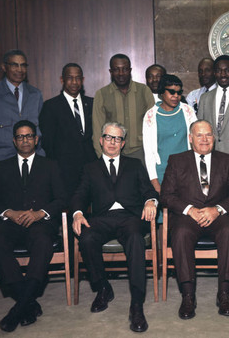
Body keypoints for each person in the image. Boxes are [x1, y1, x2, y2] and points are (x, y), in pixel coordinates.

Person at [71, 122, 158, 333]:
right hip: (102, 217)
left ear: (123, 143)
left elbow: (149, 191)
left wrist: (150, 202)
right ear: (101, 140)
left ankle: (136, 304)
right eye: (108, 137)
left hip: (130, 217)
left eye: (117, 138)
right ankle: (102, 288)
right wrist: (78, 213)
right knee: (87, 237)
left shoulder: (135, 164)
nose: (112, 142)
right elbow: (80, 194)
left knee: (136, 239)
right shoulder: (90, 168)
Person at [0, 120, 66, 332]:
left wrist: (40, 213)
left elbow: (61, 199)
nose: (25, 140)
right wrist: (9, 213)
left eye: (29, 136)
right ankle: (28, 302)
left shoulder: (50, 166)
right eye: (20, 137)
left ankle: (17, 309)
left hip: (39, 224)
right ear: (14, 141)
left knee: (43, 242)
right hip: (11, 224)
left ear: (36, 140)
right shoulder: (1, 167)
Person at [160, 120, 229, 319]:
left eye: (208, 135)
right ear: (190, 139)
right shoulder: (176, 160)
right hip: (188, 217)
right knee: (179, 233)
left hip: (218, 216)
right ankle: (188, 295)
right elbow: (166, 195)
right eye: (199, 135)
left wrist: (217, 209)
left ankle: (224, 293)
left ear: (214, 138)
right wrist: (189, 210)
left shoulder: (227, 160)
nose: (204, 139)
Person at [0, 49, 44, 177]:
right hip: (2, 160)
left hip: (33, 161)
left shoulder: (36, 95)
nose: (19, 69)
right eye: (14, 65)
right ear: (4, 67)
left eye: (23, 65)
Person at [39, 63, 97, 200]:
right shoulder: (51, 106)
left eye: (78, 78)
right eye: (70, 78)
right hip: (64, 171)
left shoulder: (93, 103)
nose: (74, 82)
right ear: (62, 80)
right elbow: (48, 143)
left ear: (82, 80)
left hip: (90, 169)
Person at [142, 74, 197, 199]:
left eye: (179, 92)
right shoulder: (151, 115)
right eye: (171, 92)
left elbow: (197, 141)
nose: (176, 96)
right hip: (162, 172)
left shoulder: (187, 111)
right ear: (161, 92)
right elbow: (149, 153)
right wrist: (155, 182)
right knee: (165, 214)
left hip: (187, 171)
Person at [92, 54, 154, 162]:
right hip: (112, 153)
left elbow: (153, 125)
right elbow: (97, 129)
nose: (121, 73)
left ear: (130, 70)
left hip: (140, 152)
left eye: (125, 69)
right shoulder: (102, 94)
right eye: (116, 70)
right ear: (110, 72)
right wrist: (102, 158)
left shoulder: (144, 91)